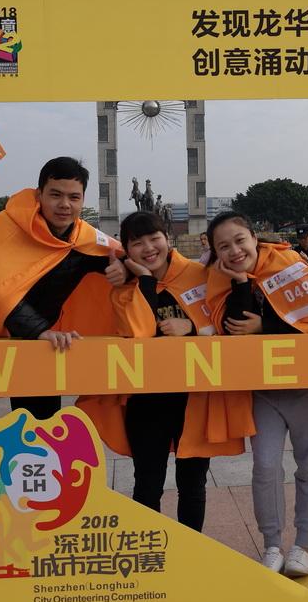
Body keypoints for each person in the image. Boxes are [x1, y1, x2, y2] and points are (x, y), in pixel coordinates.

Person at [205, 211, 308, 578]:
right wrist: (240, 283)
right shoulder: (219, 280)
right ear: (215, 252)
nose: (234, 251)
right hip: (263, 392)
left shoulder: (289, 264)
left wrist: (265, 326)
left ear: (254, 238)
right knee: (265, 467)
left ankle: (303, 546)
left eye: (240, 241)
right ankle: (273, 545)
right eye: (223, 247)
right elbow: (234, 328)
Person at [80, 212, 254, 531]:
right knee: (148, 482)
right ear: (127, 250)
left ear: (167, 238)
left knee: (192, 483)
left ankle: (191, 550)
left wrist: (192, 328)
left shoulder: (200, 275)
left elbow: (227, 323)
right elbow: (140, 333)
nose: (148, 248)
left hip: (195, 398)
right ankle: (151, 551)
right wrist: (145, 279)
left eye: (154, 238)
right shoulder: (124, 289)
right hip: (147, 399)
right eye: (137, 243)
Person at [0, 157, 127, 418]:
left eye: (74, 197)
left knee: (39, 426)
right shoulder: (7, 226)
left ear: (82, 200)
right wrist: (39, 331)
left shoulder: (83, 238)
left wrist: (123, 270)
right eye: (55, 195)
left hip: (40, 346)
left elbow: (129, 256)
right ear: (39, 195)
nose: (65, 205)